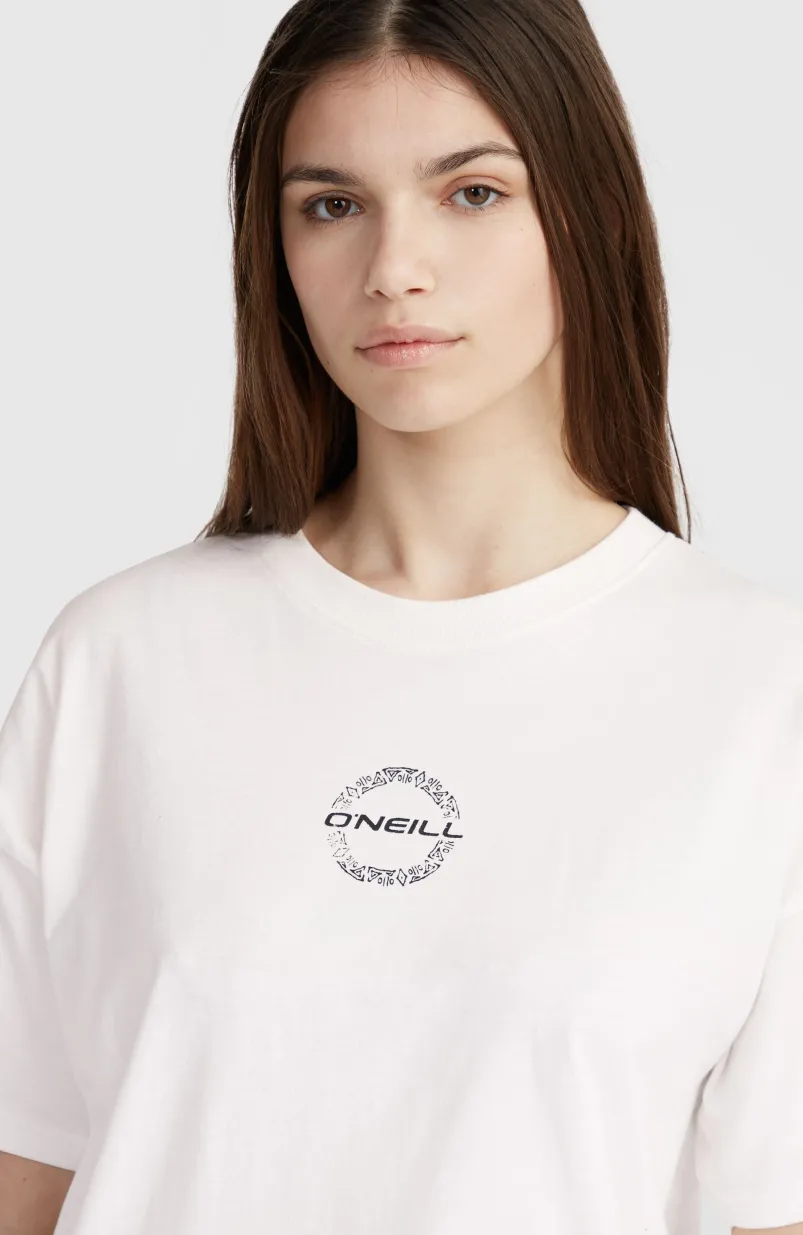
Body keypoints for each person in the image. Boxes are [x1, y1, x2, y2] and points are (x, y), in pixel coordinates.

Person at [1, 1, 802, 1233]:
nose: (392, 268)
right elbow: (27, 1170)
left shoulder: (756, 688)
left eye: (471, 193)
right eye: (331, 205)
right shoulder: (119, 660)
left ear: (587, 212)